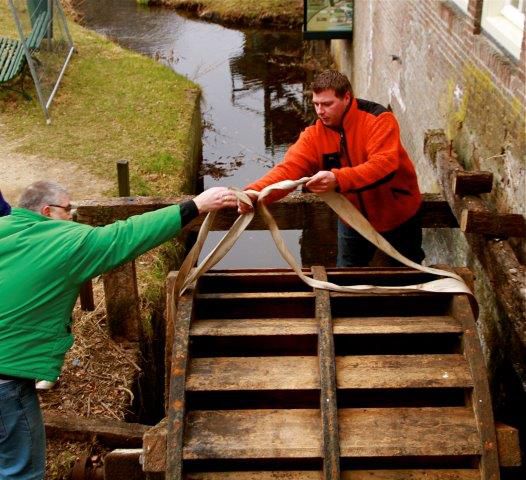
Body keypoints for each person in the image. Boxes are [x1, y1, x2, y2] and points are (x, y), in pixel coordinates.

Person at [0, 180, 237, 479]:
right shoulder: (66, 242)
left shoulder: (5, 228)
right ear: (47, 211)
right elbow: (125, 236)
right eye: (69, 209)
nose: (74, 216)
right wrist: (196, 205)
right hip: (5, 380)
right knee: (20, 471)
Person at [239, 69, 425, 267]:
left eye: (327, 104)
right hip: (352, 218)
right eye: (316, 104)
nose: (320, 111)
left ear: (346, 97)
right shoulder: (314, 136)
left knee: (408, 273)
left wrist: (338, 179)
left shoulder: (378, 119)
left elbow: (384, 165)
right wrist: (253, 193)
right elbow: (288, 170)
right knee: (346, 277)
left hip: (398, 215)